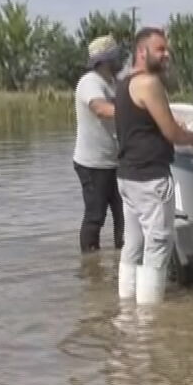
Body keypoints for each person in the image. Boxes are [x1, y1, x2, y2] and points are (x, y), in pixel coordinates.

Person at [115, 28, 193, 305]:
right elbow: (172, 134)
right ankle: (149, 320)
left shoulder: (123, 82)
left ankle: (126, 309)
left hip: (127, 175)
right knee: (157, 246)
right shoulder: (149, 83)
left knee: (133, 245)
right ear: (142, 52)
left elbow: (146, 122)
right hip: (151, 177)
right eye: (160, 49)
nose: (167, 55)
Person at [73, 35, 126, 253]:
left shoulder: (114, 82)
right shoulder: (90, 82)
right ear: (105, 60)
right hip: (93, 163)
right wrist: (136, 114)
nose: (120, 60)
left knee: (124, 214)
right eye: (116, 57)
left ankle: (123, 259)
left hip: (115, 161)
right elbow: (101, 110)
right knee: (95, 216)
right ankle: (90, 266)